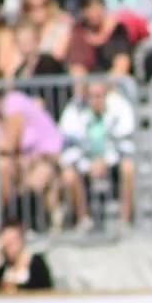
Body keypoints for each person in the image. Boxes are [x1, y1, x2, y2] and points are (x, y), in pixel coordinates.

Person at [59, 81, 136, 228]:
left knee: (128, 168)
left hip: (113, 163)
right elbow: (69, 146)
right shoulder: (73, 111)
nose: (96, 100)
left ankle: (125, 221)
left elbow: (126, 143)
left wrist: (106, 161)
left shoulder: (120, 107)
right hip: (84, 166)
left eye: (100, 96)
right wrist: (88, 165)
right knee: (68, 175)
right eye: (92, 96)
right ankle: (83, 220)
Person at [0, 91, 64, 230]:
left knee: (37, 179)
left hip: (46, 160)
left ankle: (43, 223)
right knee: (7, 170)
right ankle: (15, 224)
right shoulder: (4, 114)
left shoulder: (14, 104)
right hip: (27, 164)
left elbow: (10, 145)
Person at [66, 0, 135, 75]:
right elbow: (76, 67)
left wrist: (104, 85)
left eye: (97, 7)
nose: (94, 13)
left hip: (114, 83)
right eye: (89, 8)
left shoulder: (117, 30)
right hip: (88, 83)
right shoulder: (78, 32)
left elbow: (122, 64)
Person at [19, 0, 74, 64]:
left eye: (43, 4)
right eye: (31, 7)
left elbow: (58, 55)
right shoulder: (24, 31)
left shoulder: (61, 26)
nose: (38, 11)